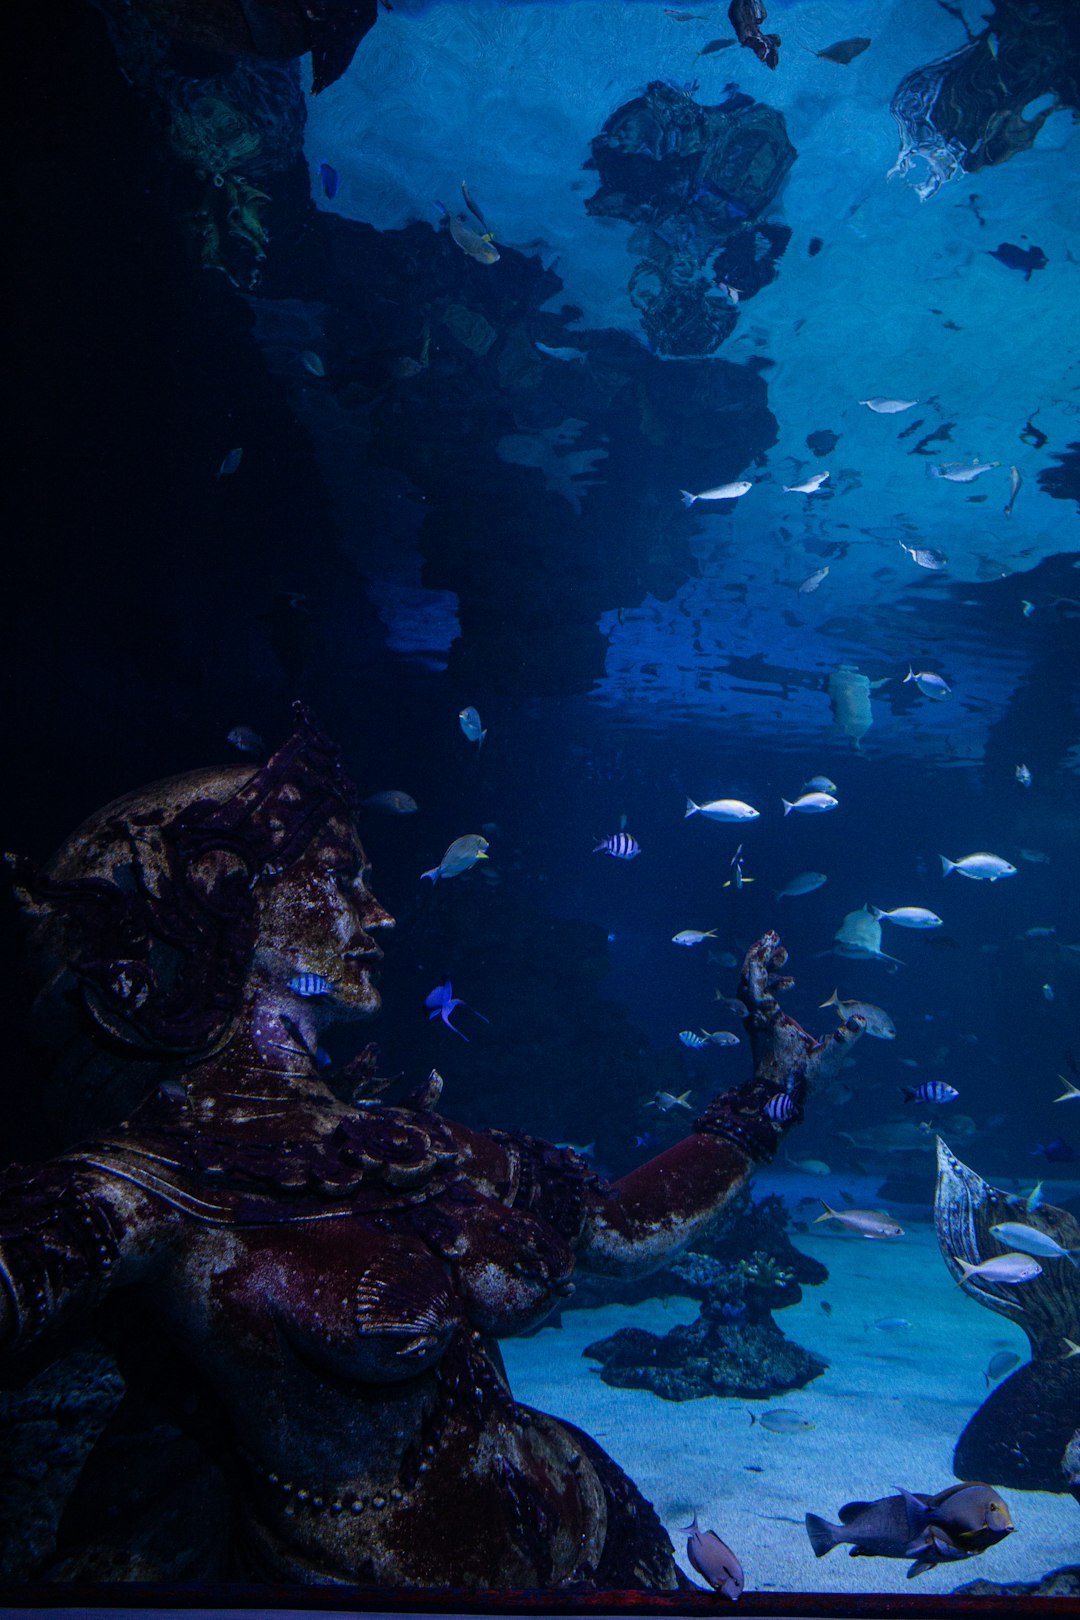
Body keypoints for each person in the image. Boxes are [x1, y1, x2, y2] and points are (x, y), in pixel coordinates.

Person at [0, 706, 861, 1586]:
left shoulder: (403, 1142)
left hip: (603, 1534)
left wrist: (772, 1091)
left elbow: (615, 1229)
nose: (378, 914)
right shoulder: (147, 1185)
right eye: (340, 880)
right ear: (222, 894)